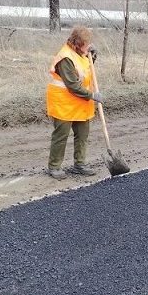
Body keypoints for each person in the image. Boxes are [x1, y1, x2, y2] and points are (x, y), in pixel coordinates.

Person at [46, 25, 102, 180]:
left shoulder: (81, 54)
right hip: (64, 102)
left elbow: (85, 70)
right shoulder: (65, 58)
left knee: (82, 135)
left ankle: (80, 164)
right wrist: (92, 95)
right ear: (77, 43)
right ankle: (54, 167)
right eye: (86, 44)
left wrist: (93, 57)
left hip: (80, 102)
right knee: (61, 136)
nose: (88, 46)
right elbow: (72, 85)